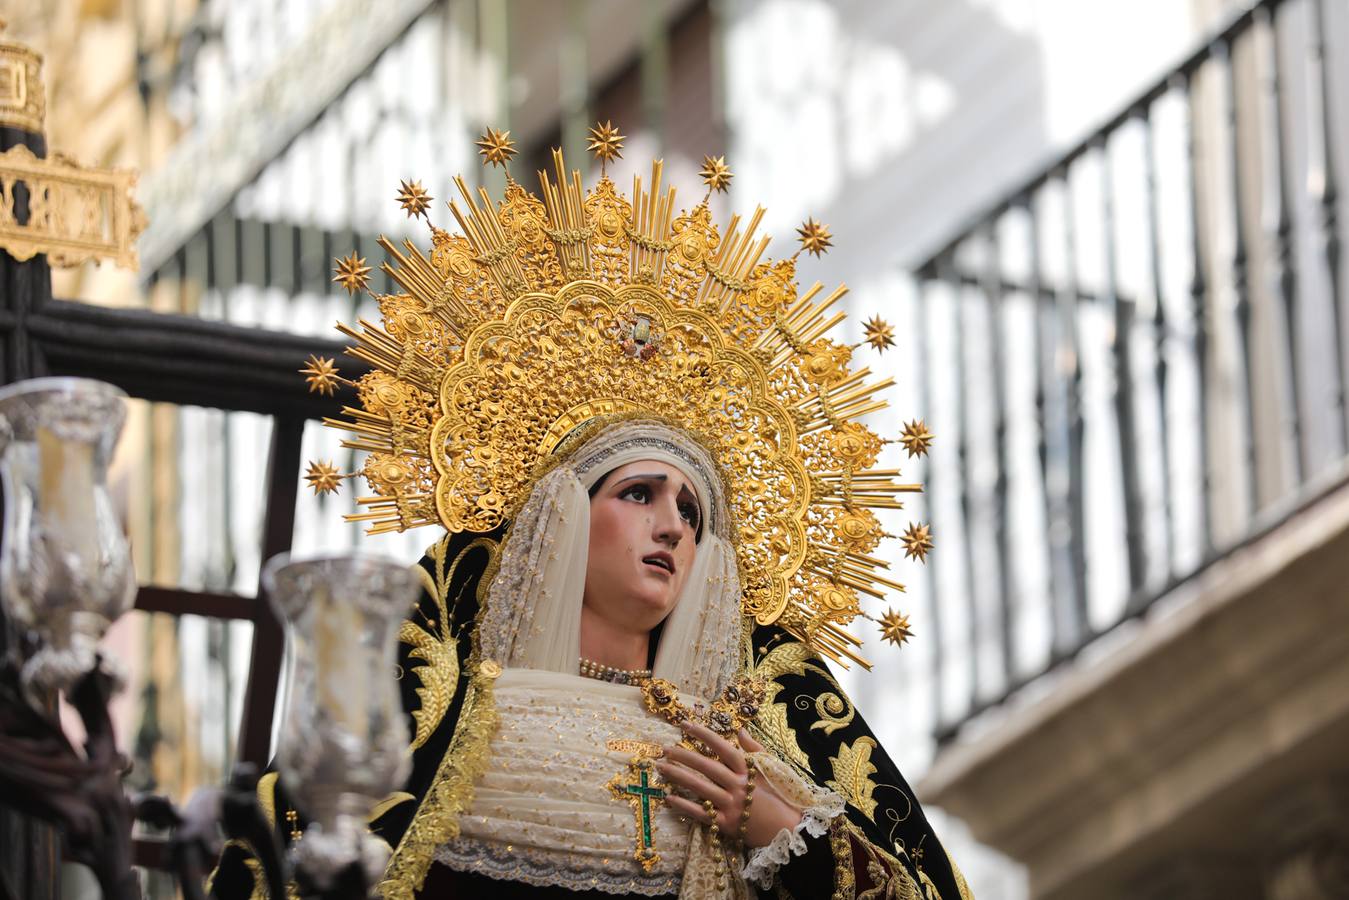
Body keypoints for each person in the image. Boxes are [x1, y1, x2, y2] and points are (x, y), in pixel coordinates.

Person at [209, 126, 972, 899]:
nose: (672, 526)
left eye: (693, 515)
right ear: (559, 517)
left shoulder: (743, 752)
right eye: (637, 494)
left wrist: (777, 832)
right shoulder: (455, 727)